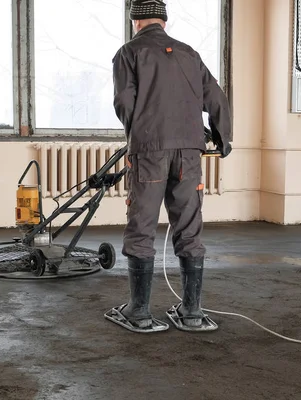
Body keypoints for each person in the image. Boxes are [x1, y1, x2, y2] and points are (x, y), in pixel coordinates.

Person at [104, 0, 232, 333]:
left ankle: (140, 311)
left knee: (142, 225)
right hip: (190, 151)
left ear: (136, 22)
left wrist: (139, 135)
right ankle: (191, 312)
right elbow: (216, 97)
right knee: (189, 225)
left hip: (149, 150)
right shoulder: (190, 54)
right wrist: (223, 138)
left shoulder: (129, 53)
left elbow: (124, 102)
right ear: (163, 20)